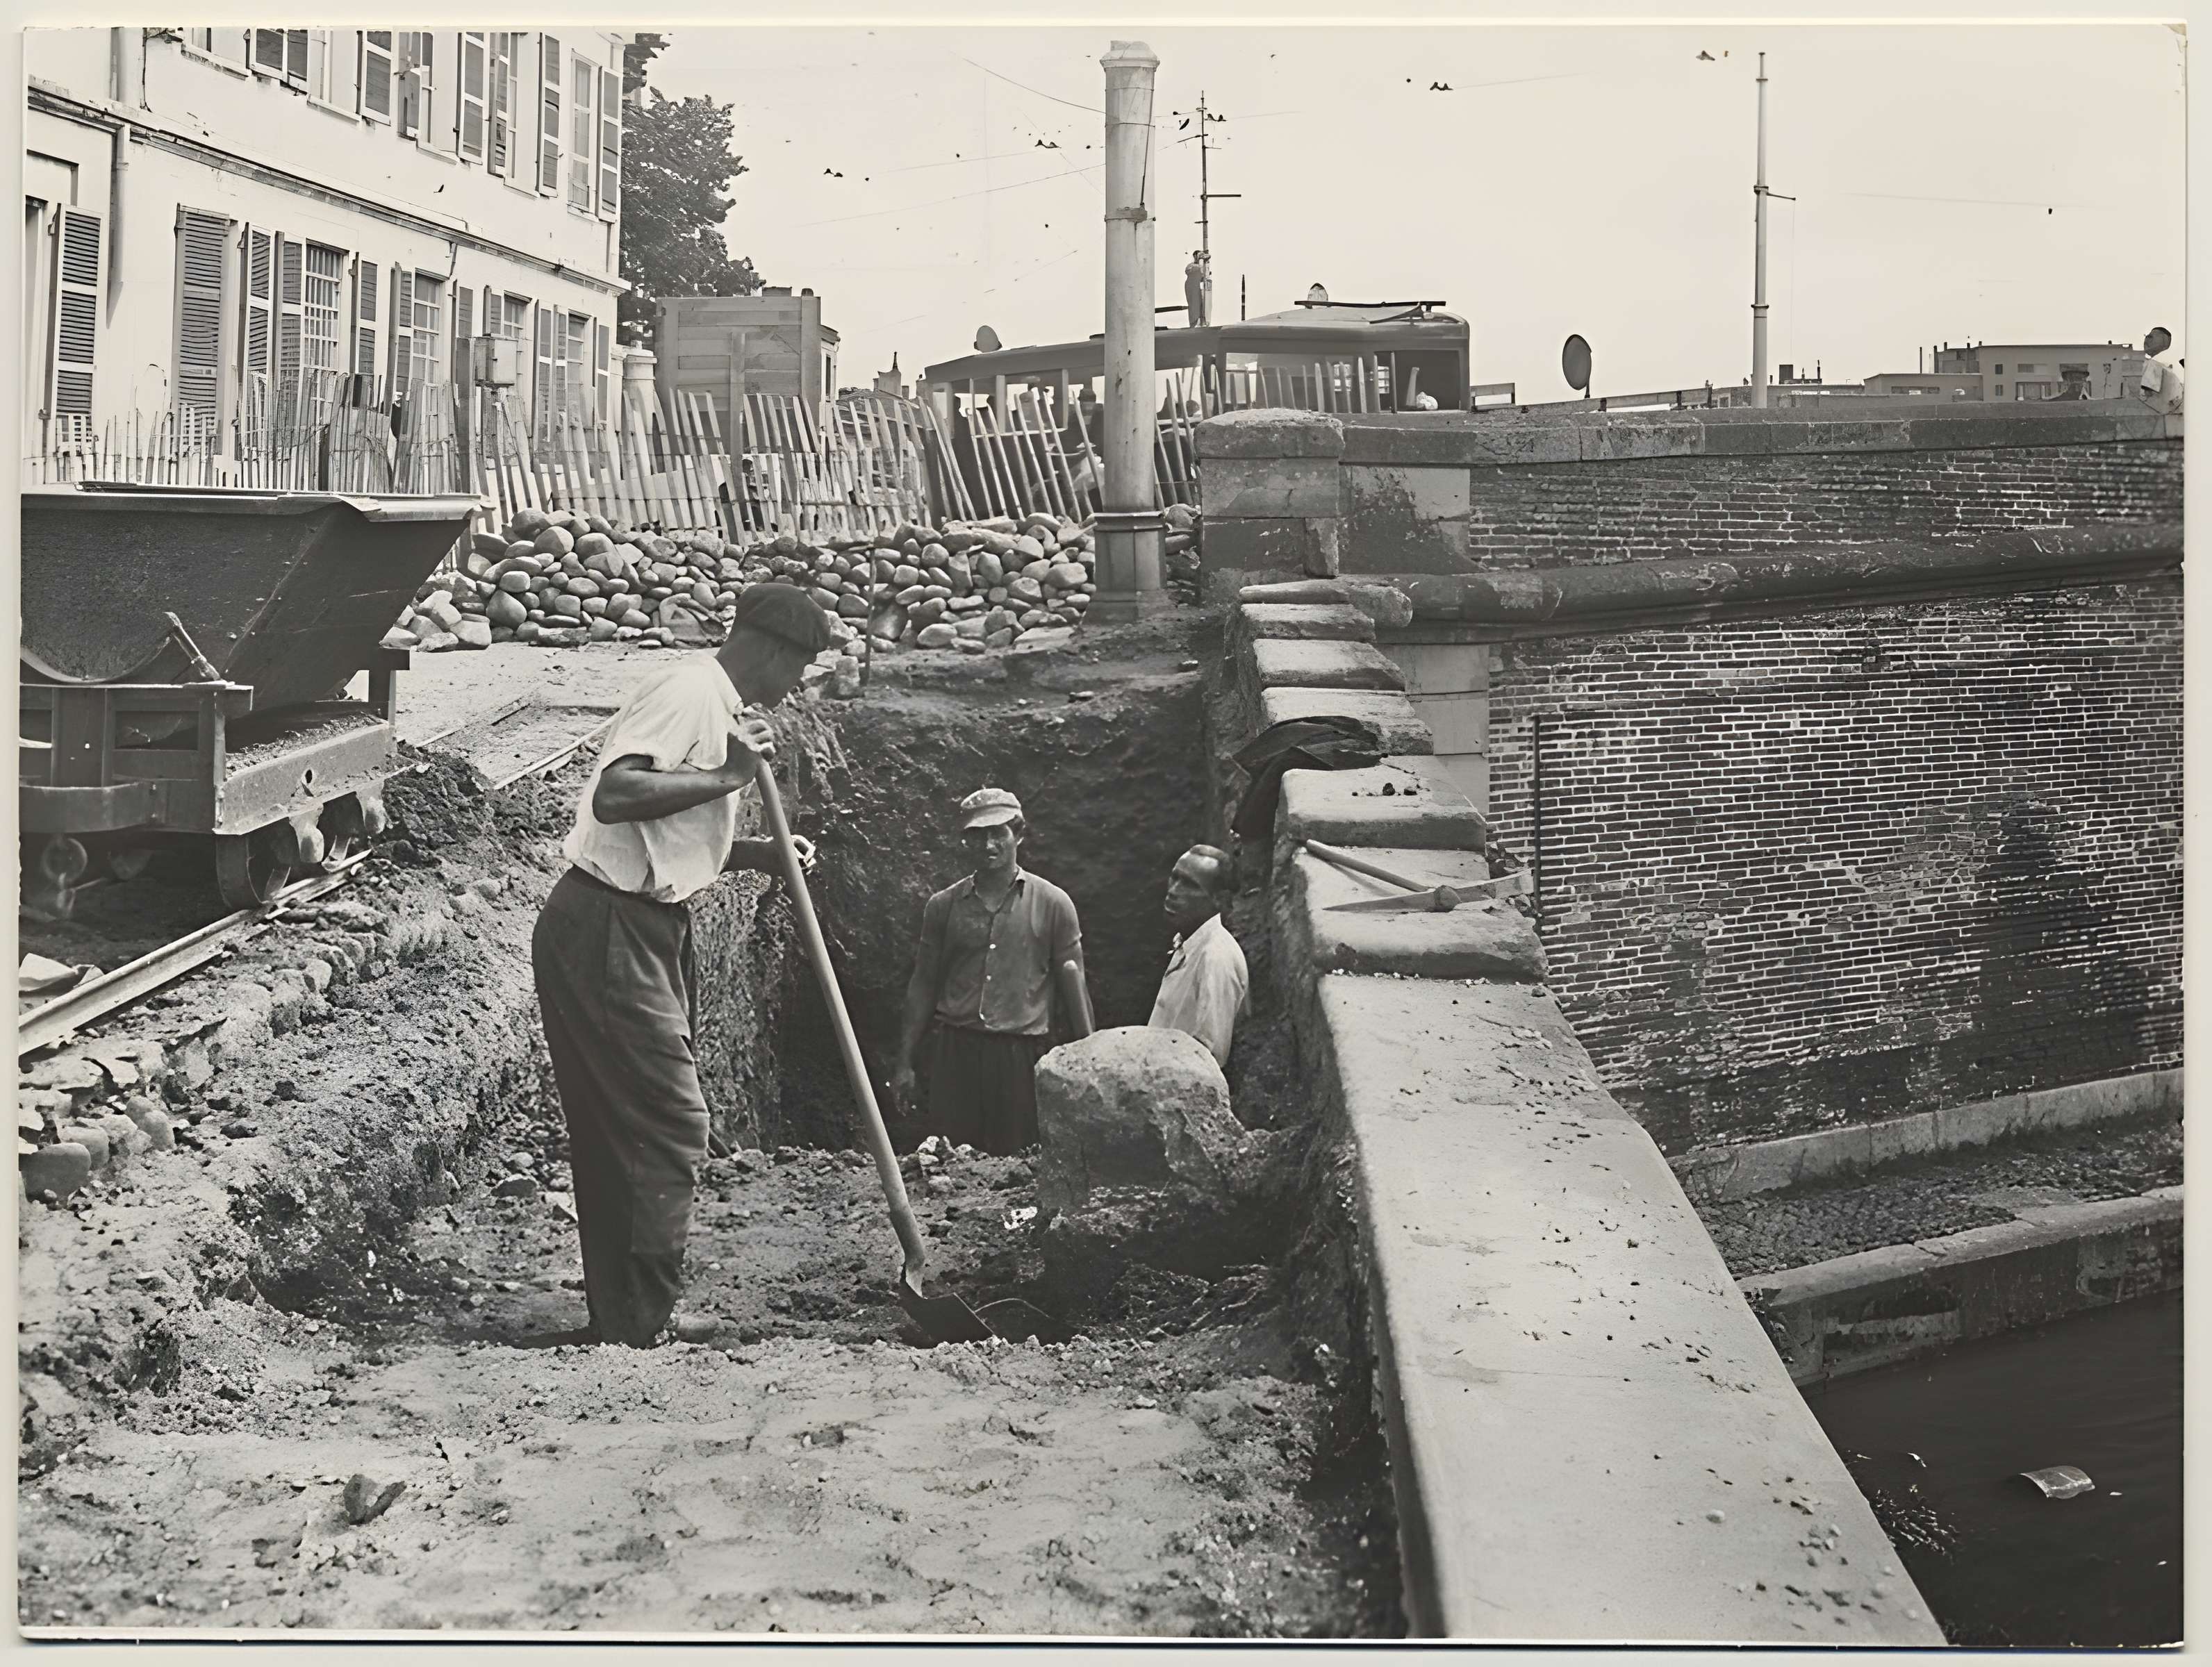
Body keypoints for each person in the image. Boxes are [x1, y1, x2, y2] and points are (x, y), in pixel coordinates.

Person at [531, 584, 834, 1348]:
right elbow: (617, 795)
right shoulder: (690, 691)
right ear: (771, 648)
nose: (796, 686)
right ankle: (641, 1322)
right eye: (798, 667)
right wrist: (729, 778)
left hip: (643, 921)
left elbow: (665, 832)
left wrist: (758, 853)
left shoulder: (719, 703)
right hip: (607, 925)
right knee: (668, 1119)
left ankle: (632, 1318)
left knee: (630, 1124)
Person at [890, 788, 1093, 1154]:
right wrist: (905, 1062)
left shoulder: (1053, 904)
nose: (988, 845)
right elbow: (923, 985)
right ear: (964, 841)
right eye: (977, 835)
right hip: (956, 1053)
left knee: (1017, 1163)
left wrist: (1089, 1063)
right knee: (950, 1162)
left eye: (998, 833)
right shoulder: (943, 907)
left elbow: (1073, 983)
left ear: (1018, 833)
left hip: (1020, 1057)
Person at [1148, 844, 1248, 1069]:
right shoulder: (1190, 943)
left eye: (1190, 885)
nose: (1173, 890)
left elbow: (1209, 1060)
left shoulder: (1215, 959)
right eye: (1175, 878)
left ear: (1219, 900)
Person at [2138, 326, 2184, 415]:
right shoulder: (2172, 361)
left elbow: (2146, 397)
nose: (2146, 339)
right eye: (2146, 336)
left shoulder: (2156, 363)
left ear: (2165, 342)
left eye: (2151, 337)